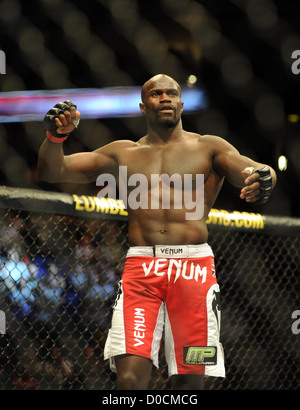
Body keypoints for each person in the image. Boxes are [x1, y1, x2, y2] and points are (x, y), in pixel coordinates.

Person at [37, 74, 277, 390]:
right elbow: (54, 170)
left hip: (194, 272)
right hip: (142, 270)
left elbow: (249, 166)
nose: (164, 97)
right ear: (142, 105)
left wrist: (264, 175)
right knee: (130, 379)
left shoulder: (208, 146)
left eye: (171, 93)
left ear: (180, 102)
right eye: (156, 93)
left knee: (191, 380)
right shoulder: (122, 153)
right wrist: (54, 138)